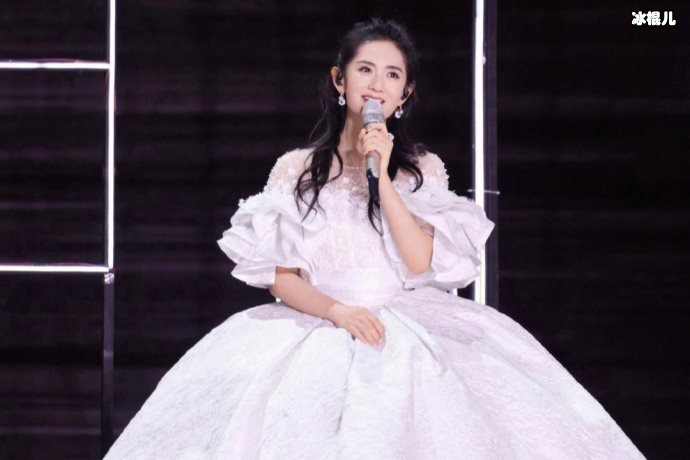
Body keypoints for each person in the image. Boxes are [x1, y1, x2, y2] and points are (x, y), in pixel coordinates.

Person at [104, 18, 645, 459]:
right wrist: (337, 311)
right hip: (319, 319)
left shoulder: (421, 169)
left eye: (392, 75)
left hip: (405, 320)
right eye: (365, 69)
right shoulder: (296, 169)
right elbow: (280, 277)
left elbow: (420, 262)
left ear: (405, 93)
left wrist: (382, 176)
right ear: (340, 81)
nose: (377, 85)